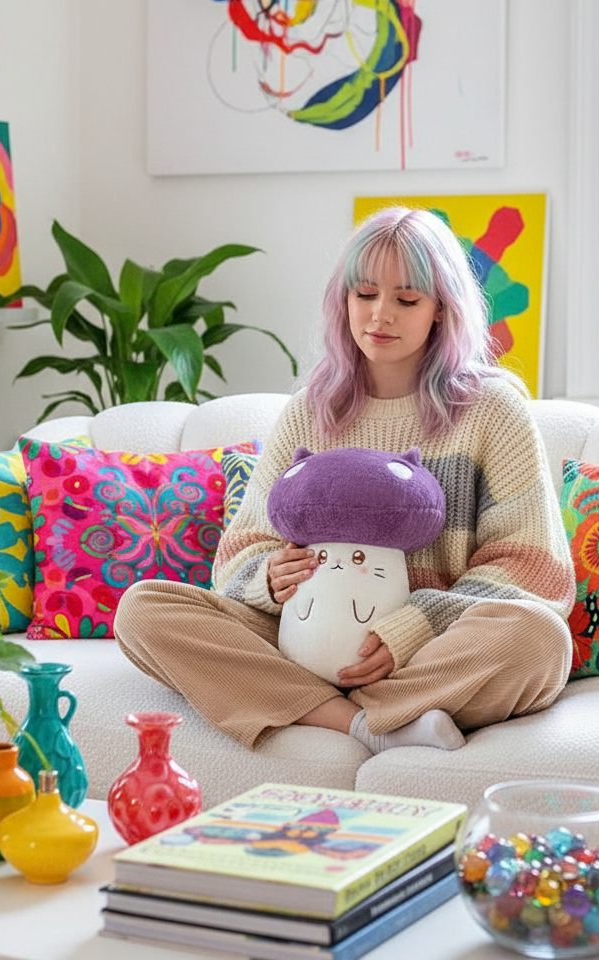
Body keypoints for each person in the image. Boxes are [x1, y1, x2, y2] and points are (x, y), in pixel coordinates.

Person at [114, 207, 575, 755]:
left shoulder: (492, 409)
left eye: (407, 299)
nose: (380, 315)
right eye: (365, 294)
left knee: (538, 639)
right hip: (301, 640)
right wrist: (268, 578)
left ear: (441, 310)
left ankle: (317, 705)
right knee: (143, 610)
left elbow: (529, 568)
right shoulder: (309, 411)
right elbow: (240, 552)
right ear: (344, 300)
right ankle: (366, 722)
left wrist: (415, 625)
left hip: (428, 649)